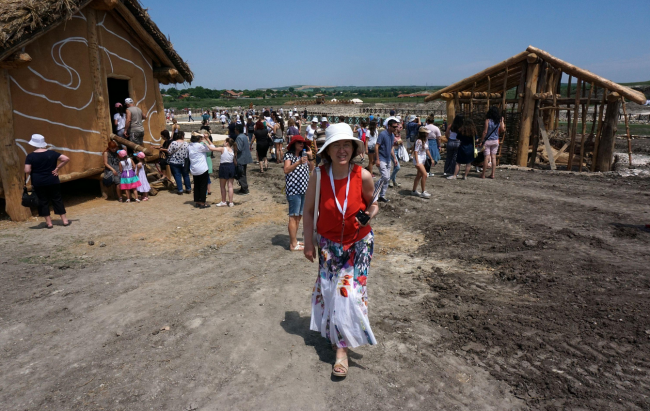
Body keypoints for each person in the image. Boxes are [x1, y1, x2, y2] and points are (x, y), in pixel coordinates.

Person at [302, 123, 379, 378]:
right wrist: (308, 242)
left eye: (347, 144)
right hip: (328, 245)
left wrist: (368, 215)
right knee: (330, 292)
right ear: (328, 150)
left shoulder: (363, 175)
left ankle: (342, 350)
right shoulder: (319, 175)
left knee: (348, 293)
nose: (342, 150)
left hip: (359, 245)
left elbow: (373, 205)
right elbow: (309, 210)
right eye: (337, 145)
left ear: (354, 148)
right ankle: (336, 332)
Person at [23, 134, 70, 228]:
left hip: (38, 181)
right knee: (57, 199)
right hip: (52, 179)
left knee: (42, 201)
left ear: (33, 144)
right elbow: (66, 159)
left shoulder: (30, 156)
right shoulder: (52, 153)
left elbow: (27, 170)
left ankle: (49, 223)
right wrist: (57, 168)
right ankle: (64, 220)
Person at [283, 135, 314, 251]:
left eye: (303, 143)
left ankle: (294, 241)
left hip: (304, 189)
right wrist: (298, 162)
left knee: (299, 216)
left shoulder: (304, 155)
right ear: (294, 144)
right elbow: (286, 170)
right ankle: (292, 244)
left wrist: (310, 158)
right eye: (299, 142)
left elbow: (311, 169)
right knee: (293, 216)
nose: (302, 144)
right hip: (294, 189)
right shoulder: (289, 155)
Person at [188, 132, 219, 208]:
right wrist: (207, 139)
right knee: (203, 186)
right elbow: (212, 147)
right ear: (199, 138)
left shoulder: (189, 146)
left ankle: (197, 201)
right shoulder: (200, 146)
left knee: (196, 185)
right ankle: (202, 202)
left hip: (194, 168)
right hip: (202, 168)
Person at [375, 119, 398, 202]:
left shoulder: (392, 135)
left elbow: (391, 148)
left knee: (387, 179)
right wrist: (377, 159)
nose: (396, 128)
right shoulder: (383, 134)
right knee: (385, 176)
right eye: (394, 127)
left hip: (388, 159)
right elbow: (377, 146)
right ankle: (374, 189)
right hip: (381, 158)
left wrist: (394, 158)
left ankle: (382, 195)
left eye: (396, 126)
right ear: (389, 126)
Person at [480, 107, 505, 179]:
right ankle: (492, 174)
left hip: (488, 141)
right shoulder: (498, 121)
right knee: (493, 157)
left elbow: (485, 132)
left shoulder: (487, 120)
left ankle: (483, 174)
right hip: (495, 141)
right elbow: (503, 129)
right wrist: (502, 121)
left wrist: (482, 140)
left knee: (486, 157)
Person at [450, 115, 477, 180]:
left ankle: (454, 175)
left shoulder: (461, 130)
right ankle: (465, 176)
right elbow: (476, 140)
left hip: (462, 147)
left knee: (458, 162)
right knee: (468, 163)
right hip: (470, 148)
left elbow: (457, 138)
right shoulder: (473, 131)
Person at [214, 138, 237, 207]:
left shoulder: (223, 149)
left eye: (224, 141)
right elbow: (235, 162)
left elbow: (212, 148)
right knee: (230, 186)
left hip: (224, 167)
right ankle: (231, 202)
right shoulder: (232, 150)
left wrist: (206, 141)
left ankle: (224, 201)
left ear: (227, 143)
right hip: (231, 166)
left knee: (222, 186)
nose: (223, 142)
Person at [411, 127, 433, 198]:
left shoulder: (426, 140)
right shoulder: (419, 141)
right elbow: (416, 151)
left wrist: (431, 159)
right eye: (426, 132)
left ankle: (414, 190)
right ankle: (423, 192)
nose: (428, 133)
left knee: (419, 175)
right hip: (419, 159)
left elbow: (427, 150)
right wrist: (417, 162)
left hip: (423, 159)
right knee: (425, 175)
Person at [235, 124, 252, 195]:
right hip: (245, 157)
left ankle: (244, 188)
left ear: (237, 130)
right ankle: (243, 187)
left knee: (240, 173)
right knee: (243, 173)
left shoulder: (239, 137)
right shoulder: (244, 136)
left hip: (241, 158)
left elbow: (239, 148)